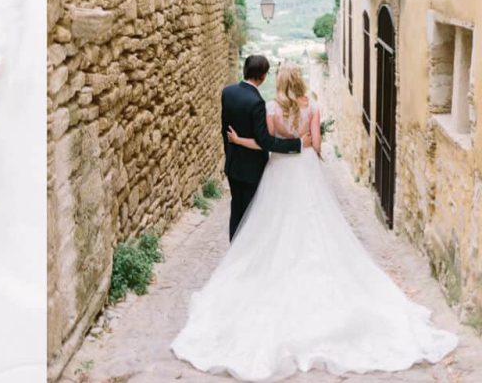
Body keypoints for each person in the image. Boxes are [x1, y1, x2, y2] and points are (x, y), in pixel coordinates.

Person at [171, 61, 457, 381]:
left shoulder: (271, 108)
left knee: (271, 227)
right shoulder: (315, 106)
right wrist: (310, 149)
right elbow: (316, 143)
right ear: (301, 80)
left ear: (278, 80)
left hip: (279, 170)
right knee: (317, 225)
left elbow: (265, 143)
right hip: (304, 168)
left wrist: (238, 142)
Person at [220, 55, 309, 241]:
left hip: (233, 165)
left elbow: (224, 130)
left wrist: (232, 150)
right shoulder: (257, 102)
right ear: (262, 76)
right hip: (252, 169)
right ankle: (245, 253)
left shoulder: (228, 92)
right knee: (251, 215)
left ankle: (233, 249)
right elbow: (266, 142)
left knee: (236, 209)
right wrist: (298, 144)